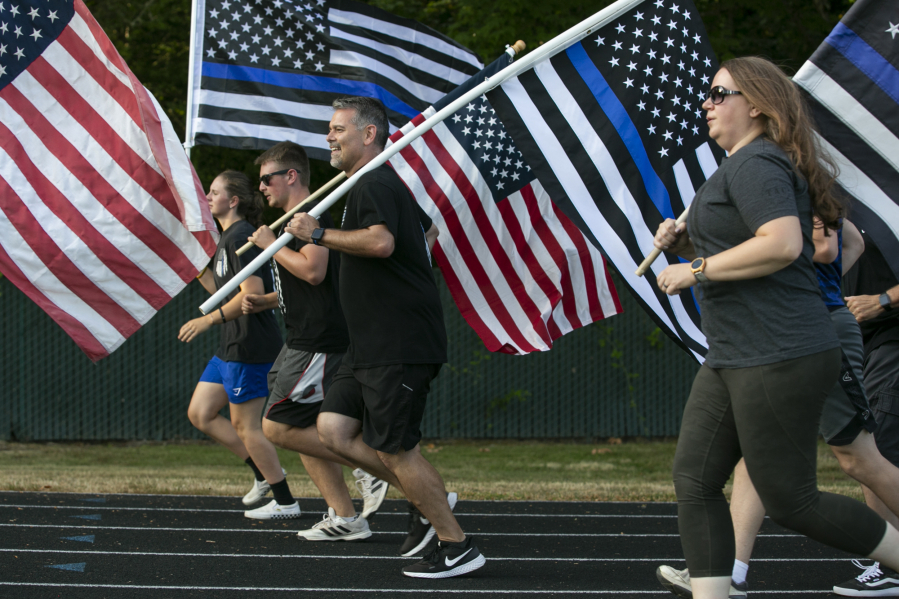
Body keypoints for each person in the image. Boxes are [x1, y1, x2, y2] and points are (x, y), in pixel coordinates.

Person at [651, 57, 899, 599]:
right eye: (708, 95)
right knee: (695, 480)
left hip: (777, 350)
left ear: (757, 104)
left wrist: (694, 269)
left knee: (793, 500)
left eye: (719, 94)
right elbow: (744, 248)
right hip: (736, 351)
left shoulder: (757, 163)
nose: (707, 104)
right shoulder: (739, 166)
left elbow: (785, 244)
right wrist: (688, 244)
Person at [288, 96, 485, 578]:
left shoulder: (374, 181)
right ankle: (424, 499)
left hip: (396, 343)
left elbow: (381, 242)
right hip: (368, 344)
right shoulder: (370, 185)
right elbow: (427, 233)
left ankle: (456, 544)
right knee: (333, 430)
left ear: (369, 134)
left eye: (338, 129)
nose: (329, 137)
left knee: (396, 449)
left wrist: (318, 235)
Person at [657, 218, 899, 597]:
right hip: (779, 333)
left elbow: (828, 247)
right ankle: (731, 572)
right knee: (754, 453)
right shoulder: (768, 173)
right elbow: (849, 242)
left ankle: (892, 564)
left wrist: (700, 267)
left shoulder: (786, 173)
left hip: (813, 331)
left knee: (855, 458)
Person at [240, 141, 388, 538]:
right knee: (307, 430)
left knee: (276, 426)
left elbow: (313, 272)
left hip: (318, 342)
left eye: (267, 179)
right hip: (301, 336)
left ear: (291, 176)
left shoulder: (309, 215)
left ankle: (370, 466)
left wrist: (270, 245)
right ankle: (345, 517)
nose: (262, 188)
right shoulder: (291, 219)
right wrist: (269, 301)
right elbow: (307, 287)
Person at [178, 171, 300, 520]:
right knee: (200, 413)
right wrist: (191, 265)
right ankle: (263, 474)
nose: (207, 196)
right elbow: (224, 292)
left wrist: (208, 319)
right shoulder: (225, 238)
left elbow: (253, 296)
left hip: (250, 344)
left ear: (233, 201)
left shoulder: (241, 237)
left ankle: (285, 500)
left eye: (214, 192)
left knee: (247, 426)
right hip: (230, 345)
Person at [831, 232, 899, 595]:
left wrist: (883, 300)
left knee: (877, 450)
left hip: (893, 336)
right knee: (868, 450)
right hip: (866, 341)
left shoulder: (884, 200)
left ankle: (892, 565)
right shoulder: (846, 205)